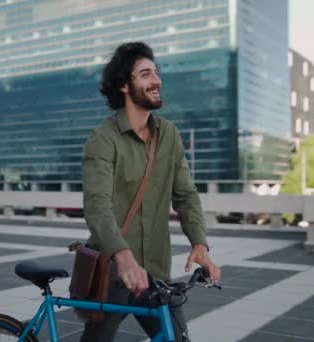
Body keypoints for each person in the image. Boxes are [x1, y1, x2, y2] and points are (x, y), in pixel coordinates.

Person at [80, 41, 221, 342]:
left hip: (156, 275)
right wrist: (125, 258)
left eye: (156, 72)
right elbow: (97, 207)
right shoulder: (102, 139)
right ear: (123, 85)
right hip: (112, 273)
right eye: (145, 74)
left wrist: (200, 242)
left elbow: (185, 195)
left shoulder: (168, 135)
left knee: (177, 339)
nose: (156, 80)